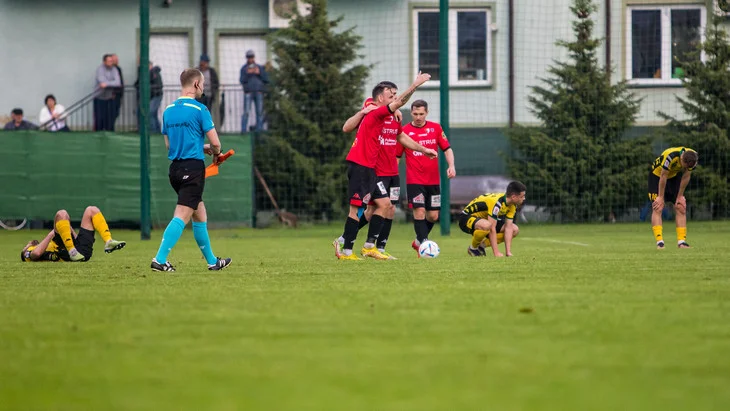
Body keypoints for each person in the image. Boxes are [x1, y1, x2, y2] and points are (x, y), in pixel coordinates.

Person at [334, 73, 437, 261]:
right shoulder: (374, 111)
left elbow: (401, 136)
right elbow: (391, 105)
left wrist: (422, 149)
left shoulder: (388, 116)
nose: (396, 99)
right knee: (357, 210)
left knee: (385, 205)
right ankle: (345, 249)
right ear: (381, 98)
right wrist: (414, 85)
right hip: (360, 166)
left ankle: (369, 247)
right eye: (392, 95)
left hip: (372, 169)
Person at [150, 68, 232, 272]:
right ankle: (159, 260)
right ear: (196, 84)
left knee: (199, 213)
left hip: (175, 170)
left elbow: (169, 145)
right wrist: (215, 152)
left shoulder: (167, 111)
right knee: (182, 214)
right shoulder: (199, 109)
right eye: (202, 83)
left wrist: (201, 147)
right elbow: (216, 143)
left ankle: (213, 262)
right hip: (192, 170)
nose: (203, 87)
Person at [397, 99, 455, 254]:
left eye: (421, 114)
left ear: (427, 113)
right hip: (414, 180)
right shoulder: (403, 132)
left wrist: (451, 166)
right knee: (420, 211)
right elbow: (396, 157)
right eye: (415, 114)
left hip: (433, 180)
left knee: (433, 215)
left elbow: (447, 148)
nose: (418, 117)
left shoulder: (435, 128)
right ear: (411, 113)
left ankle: (418, 241)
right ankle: (424, 246)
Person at [20, 206, 126, 263]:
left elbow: (76, 240)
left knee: (92, 210)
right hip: (63, 252)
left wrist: (67, 227)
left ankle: (108, 241)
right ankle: (72, 251)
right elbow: (36, 254)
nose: (27, 244)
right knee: (61, 213)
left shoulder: (47, 243)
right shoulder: (29, 252)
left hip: (79, 252)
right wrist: (52, 233)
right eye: (25, 246)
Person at [458, 181, 527, 257]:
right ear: (513, 197)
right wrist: (496, 253)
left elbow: (508, 227)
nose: (524, 198)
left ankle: (482, 246)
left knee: (514, 229)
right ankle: (473, 248)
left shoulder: (512, 205)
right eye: (522, 196)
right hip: (465, 218)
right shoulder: (497, 202)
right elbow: (492, 228)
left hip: (485, 220)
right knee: (487, 225)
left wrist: (508, 252)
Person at [648, 146, 698, 249]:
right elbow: (663, 176)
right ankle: (660, 243)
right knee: (658, 207)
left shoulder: (694, 157)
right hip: (657, 176)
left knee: (681, 207)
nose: (685, 168)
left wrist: (680, 196)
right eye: (684, 166)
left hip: (673, 177)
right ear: (682, 159)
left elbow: (686, 176)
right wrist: (661, 197)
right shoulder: (670, 156)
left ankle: (682, 242)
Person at [239, 49, 269, 132]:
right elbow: (242, 80)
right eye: (248, 57)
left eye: (251, 57)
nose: (250, 59)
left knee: (259, 112)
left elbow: (266, 79)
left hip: (259, 92)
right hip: (248, 93)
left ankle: (259, 131)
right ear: (246, 58)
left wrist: (259, 73)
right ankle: (243, 131)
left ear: (254, 57)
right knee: (246, 112)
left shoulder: (259, 67)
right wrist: (248, 73)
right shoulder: (244, 69)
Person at [94, 54, 122, 131]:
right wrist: (111, 82)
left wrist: (107, 84)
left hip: (109, 97)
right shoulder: (100, 69)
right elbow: (101, 82)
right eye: (109, 61)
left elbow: (118, 82)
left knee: (110, 119)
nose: (111, 63)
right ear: (104, 62)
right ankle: (98, 134)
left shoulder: (114, 69)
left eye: (111, 61)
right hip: (99, 97)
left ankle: (110, 133)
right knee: (99, 119)